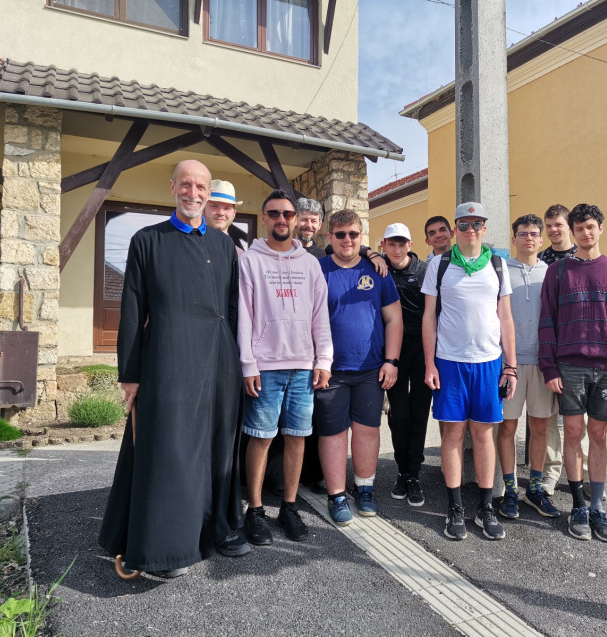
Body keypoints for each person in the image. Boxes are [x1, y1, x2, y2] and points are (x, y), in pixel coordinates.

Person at [99, 159, 250, 579]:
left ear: (208, 193)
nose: (193, 193)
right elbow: (132, 310)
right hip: (168, 359)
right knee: (170, 447)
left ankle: (219, 528)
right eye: (186, 185)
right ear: (172, 187)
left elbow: (234, 311)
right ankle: (166, 547)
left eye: (200, 187)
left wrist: (239, 363)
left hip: (219, 360)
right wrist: (130, 374)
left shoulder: (224, 246)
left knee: (218, 448)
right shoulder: (148, 240)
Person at [237, 189, 333, 545]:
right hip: (265, 367)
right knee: (261, 437)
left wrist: (324, 359)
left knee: (297, 437)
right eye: (274, 213)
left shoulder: (309, 264)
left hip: (303, 367)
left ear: (295, 219)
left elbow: (320, 315)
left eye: (288, 214)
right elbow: (244, 316)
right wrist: (248, 363)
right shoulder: (251, 261)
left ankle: (289, 507)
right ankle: (256, 509)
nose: (282, 220)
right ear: (264, 218)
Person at [538, 203, 607, 543]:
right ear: (572, 231)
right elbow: (547, 322)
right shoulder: (558, 272)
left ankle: (597, 507)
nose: (585, 233)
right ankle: (578, 506)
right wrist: (549, 367)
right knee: (573, 433)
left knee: (598, 435)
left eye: (590, 226)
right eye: (578, 228)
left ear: (600, 228)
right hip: (570, 366)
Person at [423, 202, 517, 541]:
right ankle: (455, 507)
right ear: (455, 229)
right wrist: (430, 363)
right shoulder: (440, 264)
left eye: (476, 223)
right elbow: (428, 317)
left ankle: (486, 506)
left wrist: (511, 366)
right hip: (450, 361)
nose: (470, 229)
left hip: (489, 362)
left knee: (483, 434)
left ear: (484, 228)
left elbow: (506, 318)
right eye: (464, 224)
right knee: (452, 433)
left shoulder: (497, 264)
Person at [316, 209, 403, 525]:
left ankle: (364, 489)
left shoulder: (377, 270)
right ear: (330, 237)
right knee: (334, 434)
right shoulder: (319, 270)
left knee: (367, 431)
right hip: (331, 371)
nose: (347, 240)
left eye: (353, 234)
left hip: (370, 369)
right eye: (340, 234)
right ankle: (337, 495)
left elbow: (394, 318)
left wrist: (391, 361)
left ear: (361, 236)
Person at [496, 214, 560, 520]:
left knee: (540, 427)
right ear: (514, 239)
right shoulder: (500, 270)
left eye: (535, 234)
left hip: (543, 362)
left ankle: (534, 488)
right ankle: (510, 490)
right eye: (523, 234)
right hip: (509, 363)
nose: (529, 238)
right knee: (507, 427)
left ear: (541, 239)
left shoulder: (552, 273)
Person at [536, 204, 591, 499]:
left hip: (579, 349)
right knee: (549, 419)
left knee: (583, 420)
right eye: (549, 226)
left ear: (568, 226)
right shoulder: (541, 260)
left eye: (558, 224)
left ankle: (586, 474)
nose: (553, 230)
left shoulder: (582, 257)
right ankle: (551, 472)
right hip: (549, 346)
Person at [381, 223, 431, 506]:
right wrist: (369, 253)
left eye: (402, 244)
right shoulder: (377, 267)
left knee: (419, 414)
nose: (397, 249)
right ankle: (402, 471)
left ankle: (414, 475)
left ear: (410, 245)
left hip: (422, 352)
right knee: (399, 415)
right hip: (392, 352)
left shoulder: (425, 271)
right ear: (384, 245)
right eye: (392, 244)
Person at [205, 179, 248, 253]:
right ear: (202, 209)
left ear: (234, 214)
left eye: (227, 208)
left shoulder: (239, 256)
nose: (220, 213)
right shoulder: (189, 246)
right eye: (214, 206)